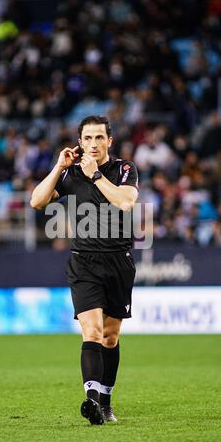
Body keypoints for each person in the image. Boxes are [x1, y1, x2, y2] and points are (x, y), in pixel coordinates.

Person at [30, 115, 139, 425]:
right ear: (79, 142)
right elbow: (36, 201)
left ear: (109, 141)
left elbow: (126, 203)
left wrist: (95, 177)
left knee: (110, 336)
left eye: (99, 138)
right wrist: (58, 168)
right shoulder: (70, 174)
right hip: (84, 262)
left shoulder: (124, 170)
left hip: (119, 261)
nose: (93, 144)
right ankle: (92, 400)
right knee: (91, 331)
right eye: (87, 138)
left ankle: (106, 402)